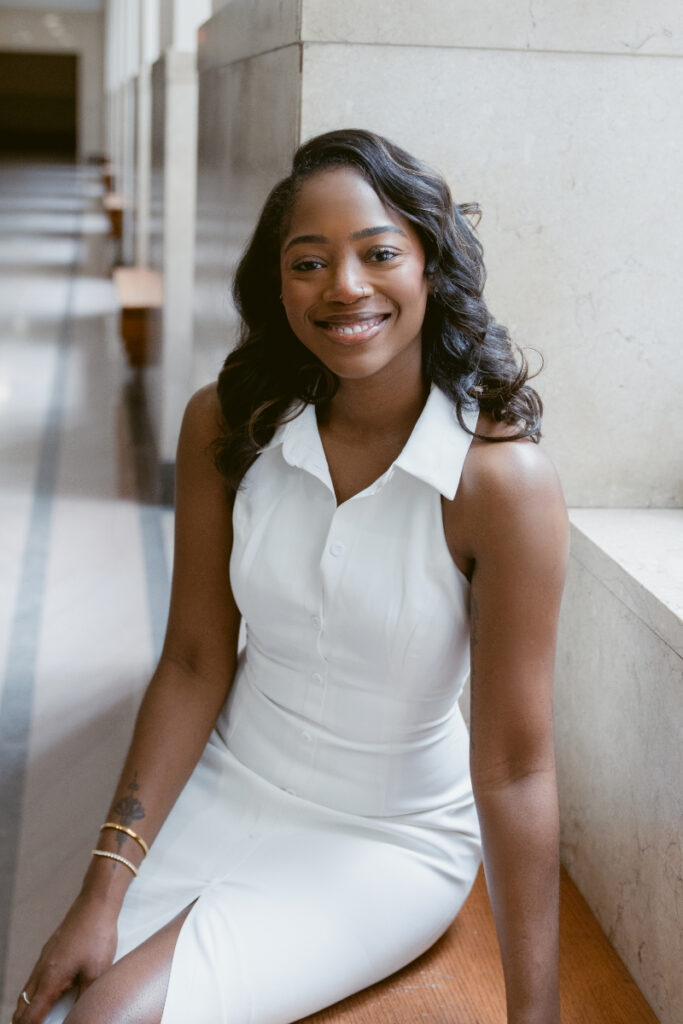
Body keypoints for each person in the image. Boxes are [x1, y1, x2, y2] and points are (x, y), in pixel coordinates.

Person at [14, 129, 568, 1024]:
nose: (344, 287)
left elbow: (512, 766)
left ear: (431, 266)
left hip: (383, 839)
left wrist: (534, 1016)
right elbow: (195, 663)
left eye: (379, 253)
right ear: (277, 284)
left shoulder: (498, 484)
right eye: (308, 261)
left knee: (113, 1018)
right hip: (226, 776)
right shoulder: (229, 424)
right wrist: (100, 889)